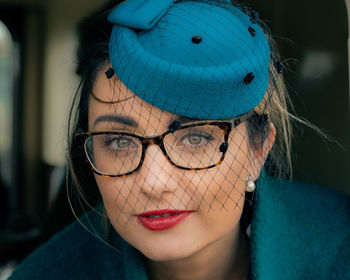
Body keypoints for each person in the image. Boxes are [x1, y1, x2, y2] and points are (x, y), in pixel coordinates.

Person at [9, 0, 350, 279]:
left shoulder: (339, 247)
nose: (153, 183)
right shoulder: (46, 273)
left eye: (196, 138)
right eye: (118, 141)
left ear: (258, 150)